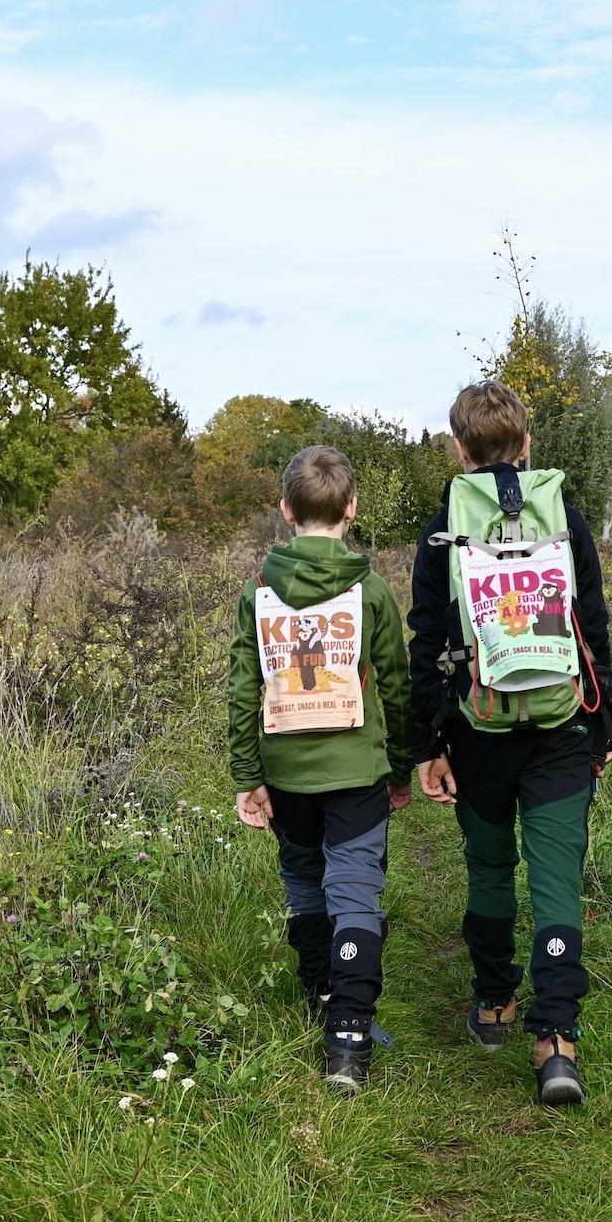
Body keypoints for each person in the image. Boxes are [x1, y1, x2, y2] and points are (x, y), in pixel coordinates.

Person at [408, 379, 612, 1107]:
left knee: (491, 862)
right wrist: (605, 719)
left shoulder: (444, 529)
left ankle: (495, 999)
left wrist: (427, 742)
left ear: (459, 449)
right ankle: (556, 1040)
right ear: (528, 446)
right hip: (562, 723)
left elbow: (429, 642)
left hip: (478, 727)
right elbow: (591, 622)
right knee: (558, 878)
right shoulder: (566, 518)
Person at [229, 444, 412, 1094]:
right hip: (357, 769)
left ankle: (319, 1001)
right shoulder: (370, 590)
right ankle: (348, 1041)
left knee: (306, 887)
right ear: (352, 508)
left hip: (285, 771)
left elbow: (242, 687)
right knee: (355, 892)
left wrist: (248, 775)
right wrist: (402, 768)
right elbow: (397, 681)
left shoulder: (258, 592)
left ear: (285, 510)